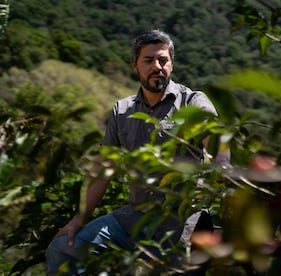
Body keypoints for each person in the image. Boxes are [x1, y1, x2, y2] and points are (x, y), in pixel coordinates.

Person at [46, 29, 231, 275]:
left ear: (172, 64)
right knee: (62, 249)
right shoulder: (122, 111)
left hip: (183, 224)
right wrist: (77, 220)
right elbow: (103, 170)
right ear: (135, 65)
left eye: (163, 60)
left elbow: (217, 145)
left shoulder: (193, 103)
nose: (157, 66)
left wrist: (225, 170)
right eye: (148, 60)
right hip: (133, 219)